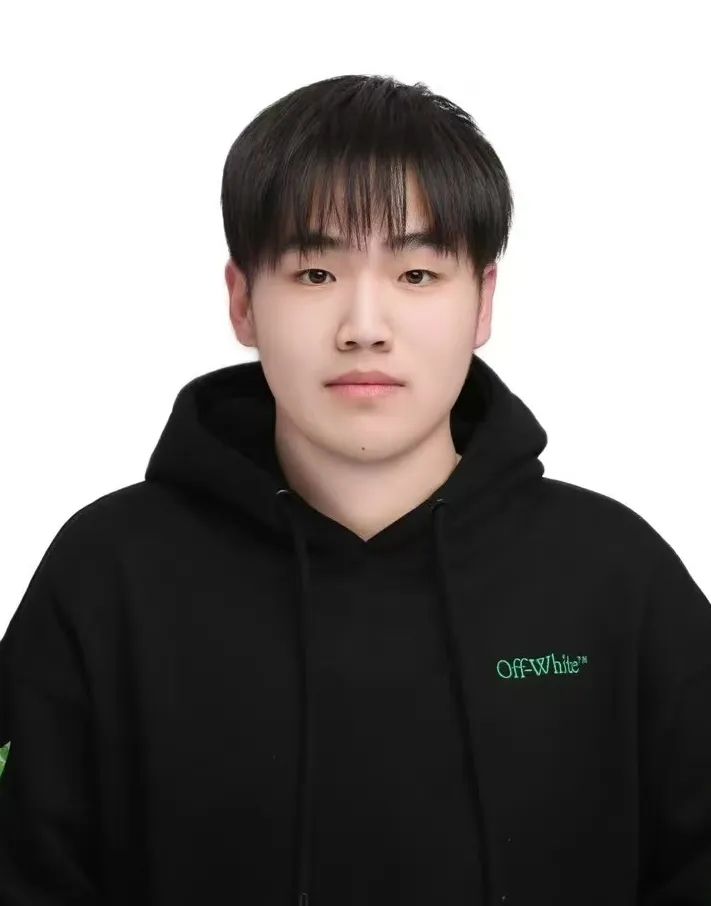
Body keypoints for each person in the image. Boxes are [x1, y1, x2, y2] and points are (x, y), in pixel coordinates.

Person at [0, 73, 709, 906]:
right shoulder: (106, 577)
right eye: (313, 273)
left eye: (416, 274)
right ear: (242, 301)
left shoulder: (616, 578)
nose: (364, 327)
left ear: (482, 301)